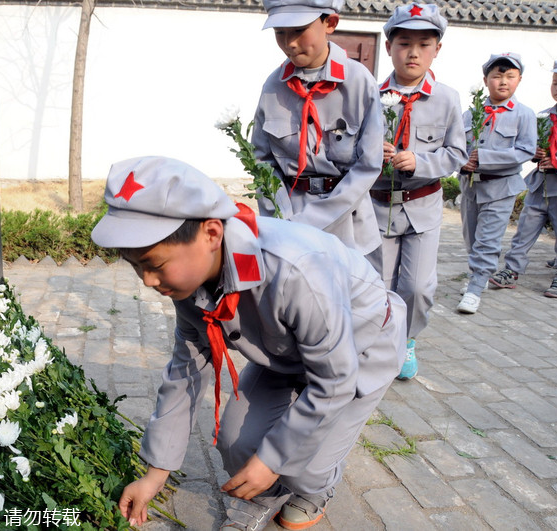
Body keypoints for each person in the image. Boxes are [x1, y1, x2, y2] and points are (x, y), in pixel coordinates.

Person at [91, 156, 406, 531]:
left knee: (303, 467)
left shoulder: (296, 269)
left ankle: (314, 490)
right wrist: (156, 472)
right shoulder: (187, 285)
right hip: (285, 355)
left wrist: (273, 460)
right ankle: (264, 494)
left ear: (211, 234)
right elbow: (186, 369)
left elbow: (335, 380)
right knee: (238, 444)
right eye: (135, 266)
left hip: (360, 350)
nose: (147, 281)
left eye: (154, 264)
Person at [367, 3, 467, 380]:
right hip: (378, 207)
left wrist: (420, 161)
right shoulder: (370, 96)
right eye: (404, 42)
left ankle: (407, 338)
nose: (413, 52)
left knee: (418, 286)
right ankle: (382, 342)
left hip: (422, 208)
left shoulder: (447, 98)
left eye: (424, 44)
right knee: (381, 282)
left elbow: (457, 152)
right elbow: (352, 148)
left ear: (436, 49)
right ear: (389, 45)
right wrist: (373, 155)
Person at [251, 0, 383, 258]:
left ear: (330, 23)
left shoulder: (358, 82)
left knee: (351, 294)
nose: (289, 42)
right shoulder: (273, 86)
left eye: (299, 30)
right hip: (288, 219)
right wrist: (282, 218)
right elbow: (262, 161)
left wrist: (310, 221)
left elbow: (368, 166)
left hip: (348, 222)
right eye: (280, 32)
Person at [457, 53, 537, 314]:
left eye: (510, 76)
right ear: (485, 80)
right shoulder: (471, 113)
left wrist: (485, 158)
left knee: (487, 241)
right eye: (497, 76)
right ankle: (475, 277)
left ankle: (475, 288)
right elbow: (455, 146)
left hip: (500, 188)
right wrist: (462, 162)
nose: (503, 82)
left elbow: (526, 150)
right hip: (471, 186)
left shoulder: (524, 114)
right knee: (472, 237)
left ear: (519, 80)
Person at [490, 58, 557, 298]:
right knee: (525, 228)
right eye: (555, 83)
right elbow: (534, 145)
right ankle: (512, 270)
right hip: (540, 185)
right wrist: (536, 153)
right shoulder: (544, 117)